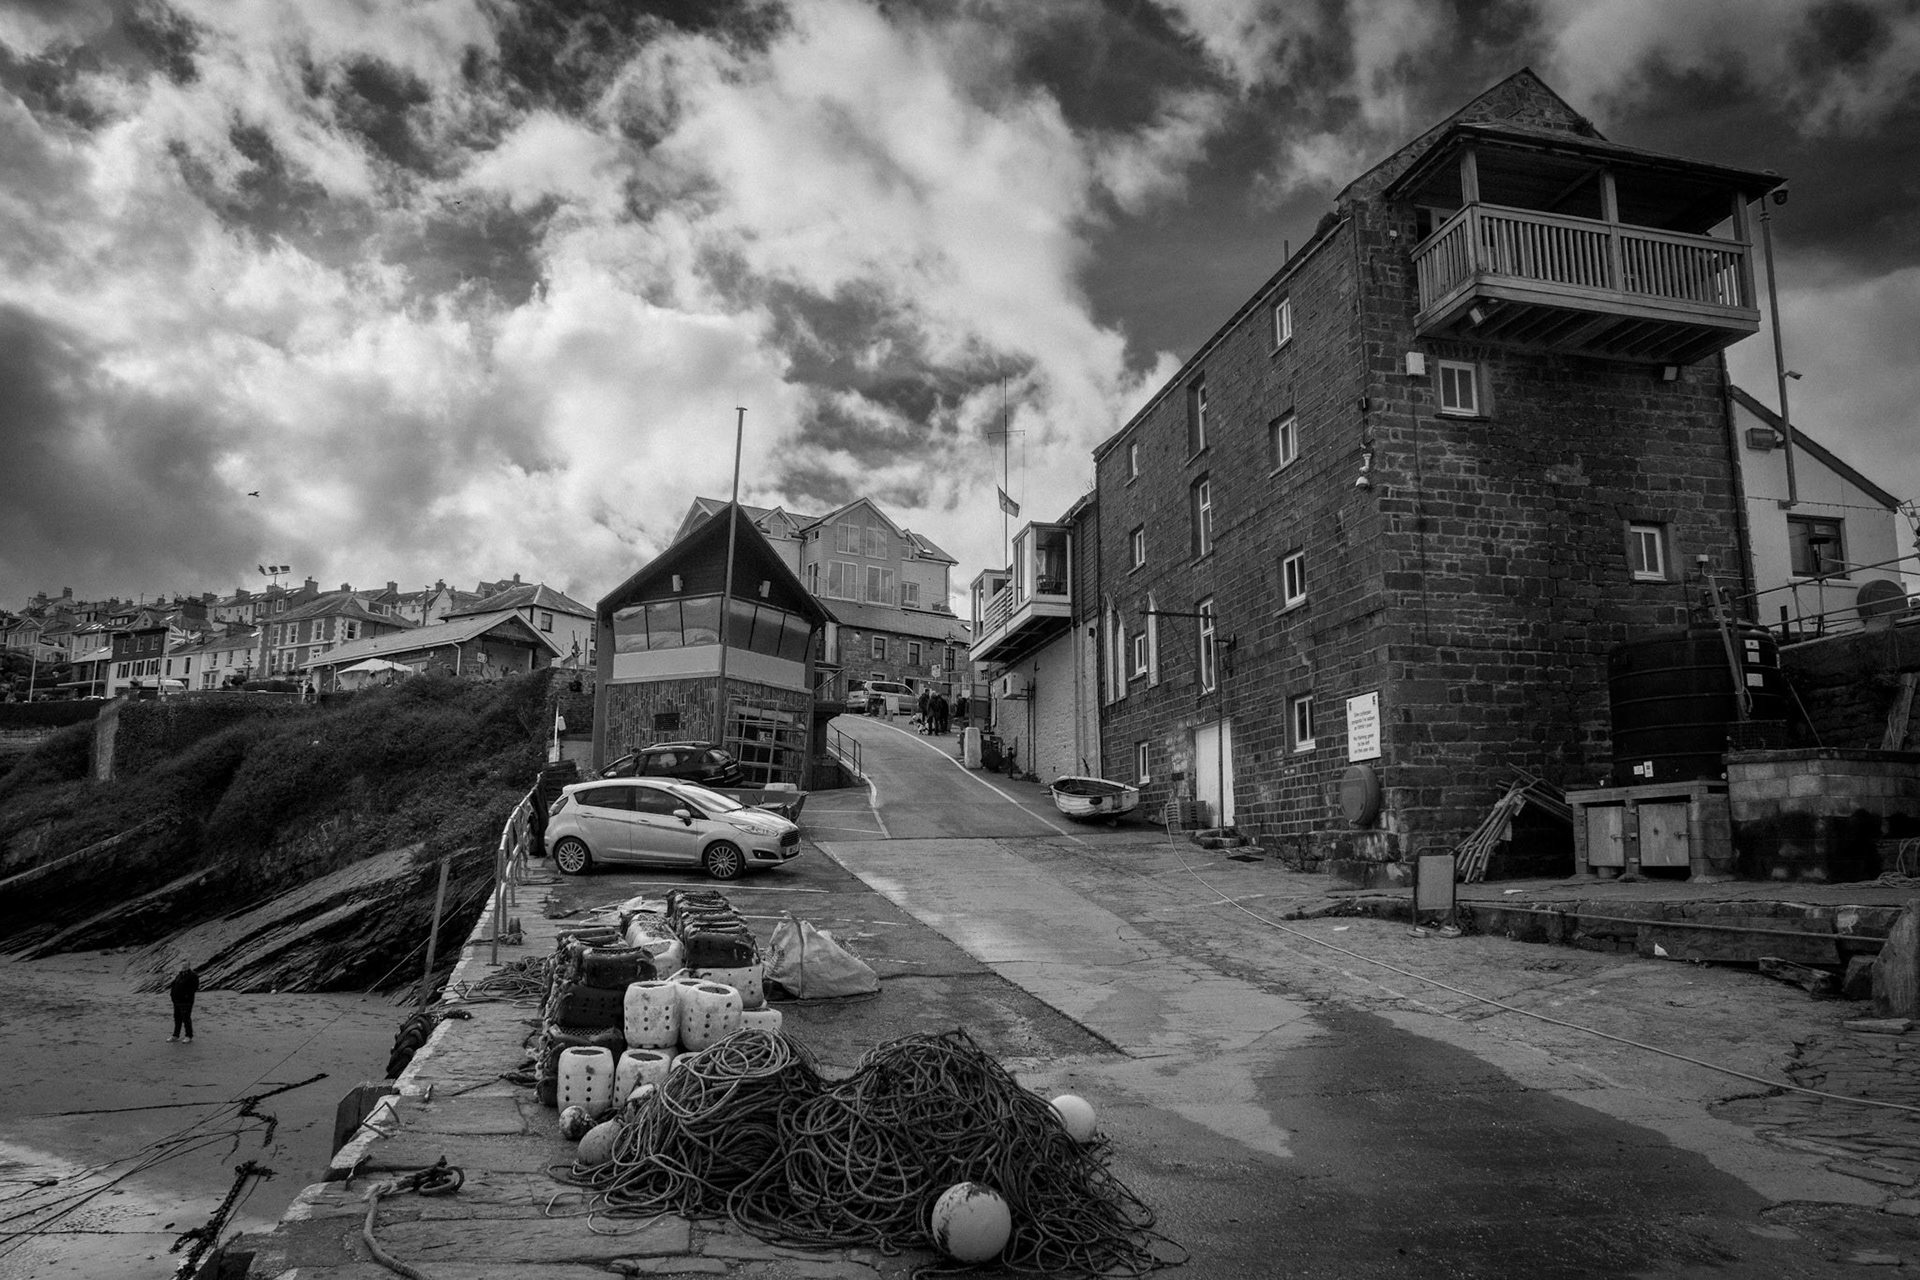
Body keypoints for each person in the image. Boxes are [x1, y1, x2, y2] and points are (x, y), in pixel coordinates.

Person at [168, 965, 199, 1042]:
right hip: (177, 1000)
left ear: (189, 966)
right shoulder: (179, 975)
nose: (184, 967)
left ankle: (188, 1036)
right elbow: (175, 985)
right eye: (183, 966)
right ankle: (175, 1035)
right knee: (177, 1018)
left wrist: (186, 996)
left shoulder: (192, 975)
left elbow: (195, 987)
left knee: (186, 1018)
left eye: (186, 965)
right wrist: (172, 995)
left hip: (186, 1001)